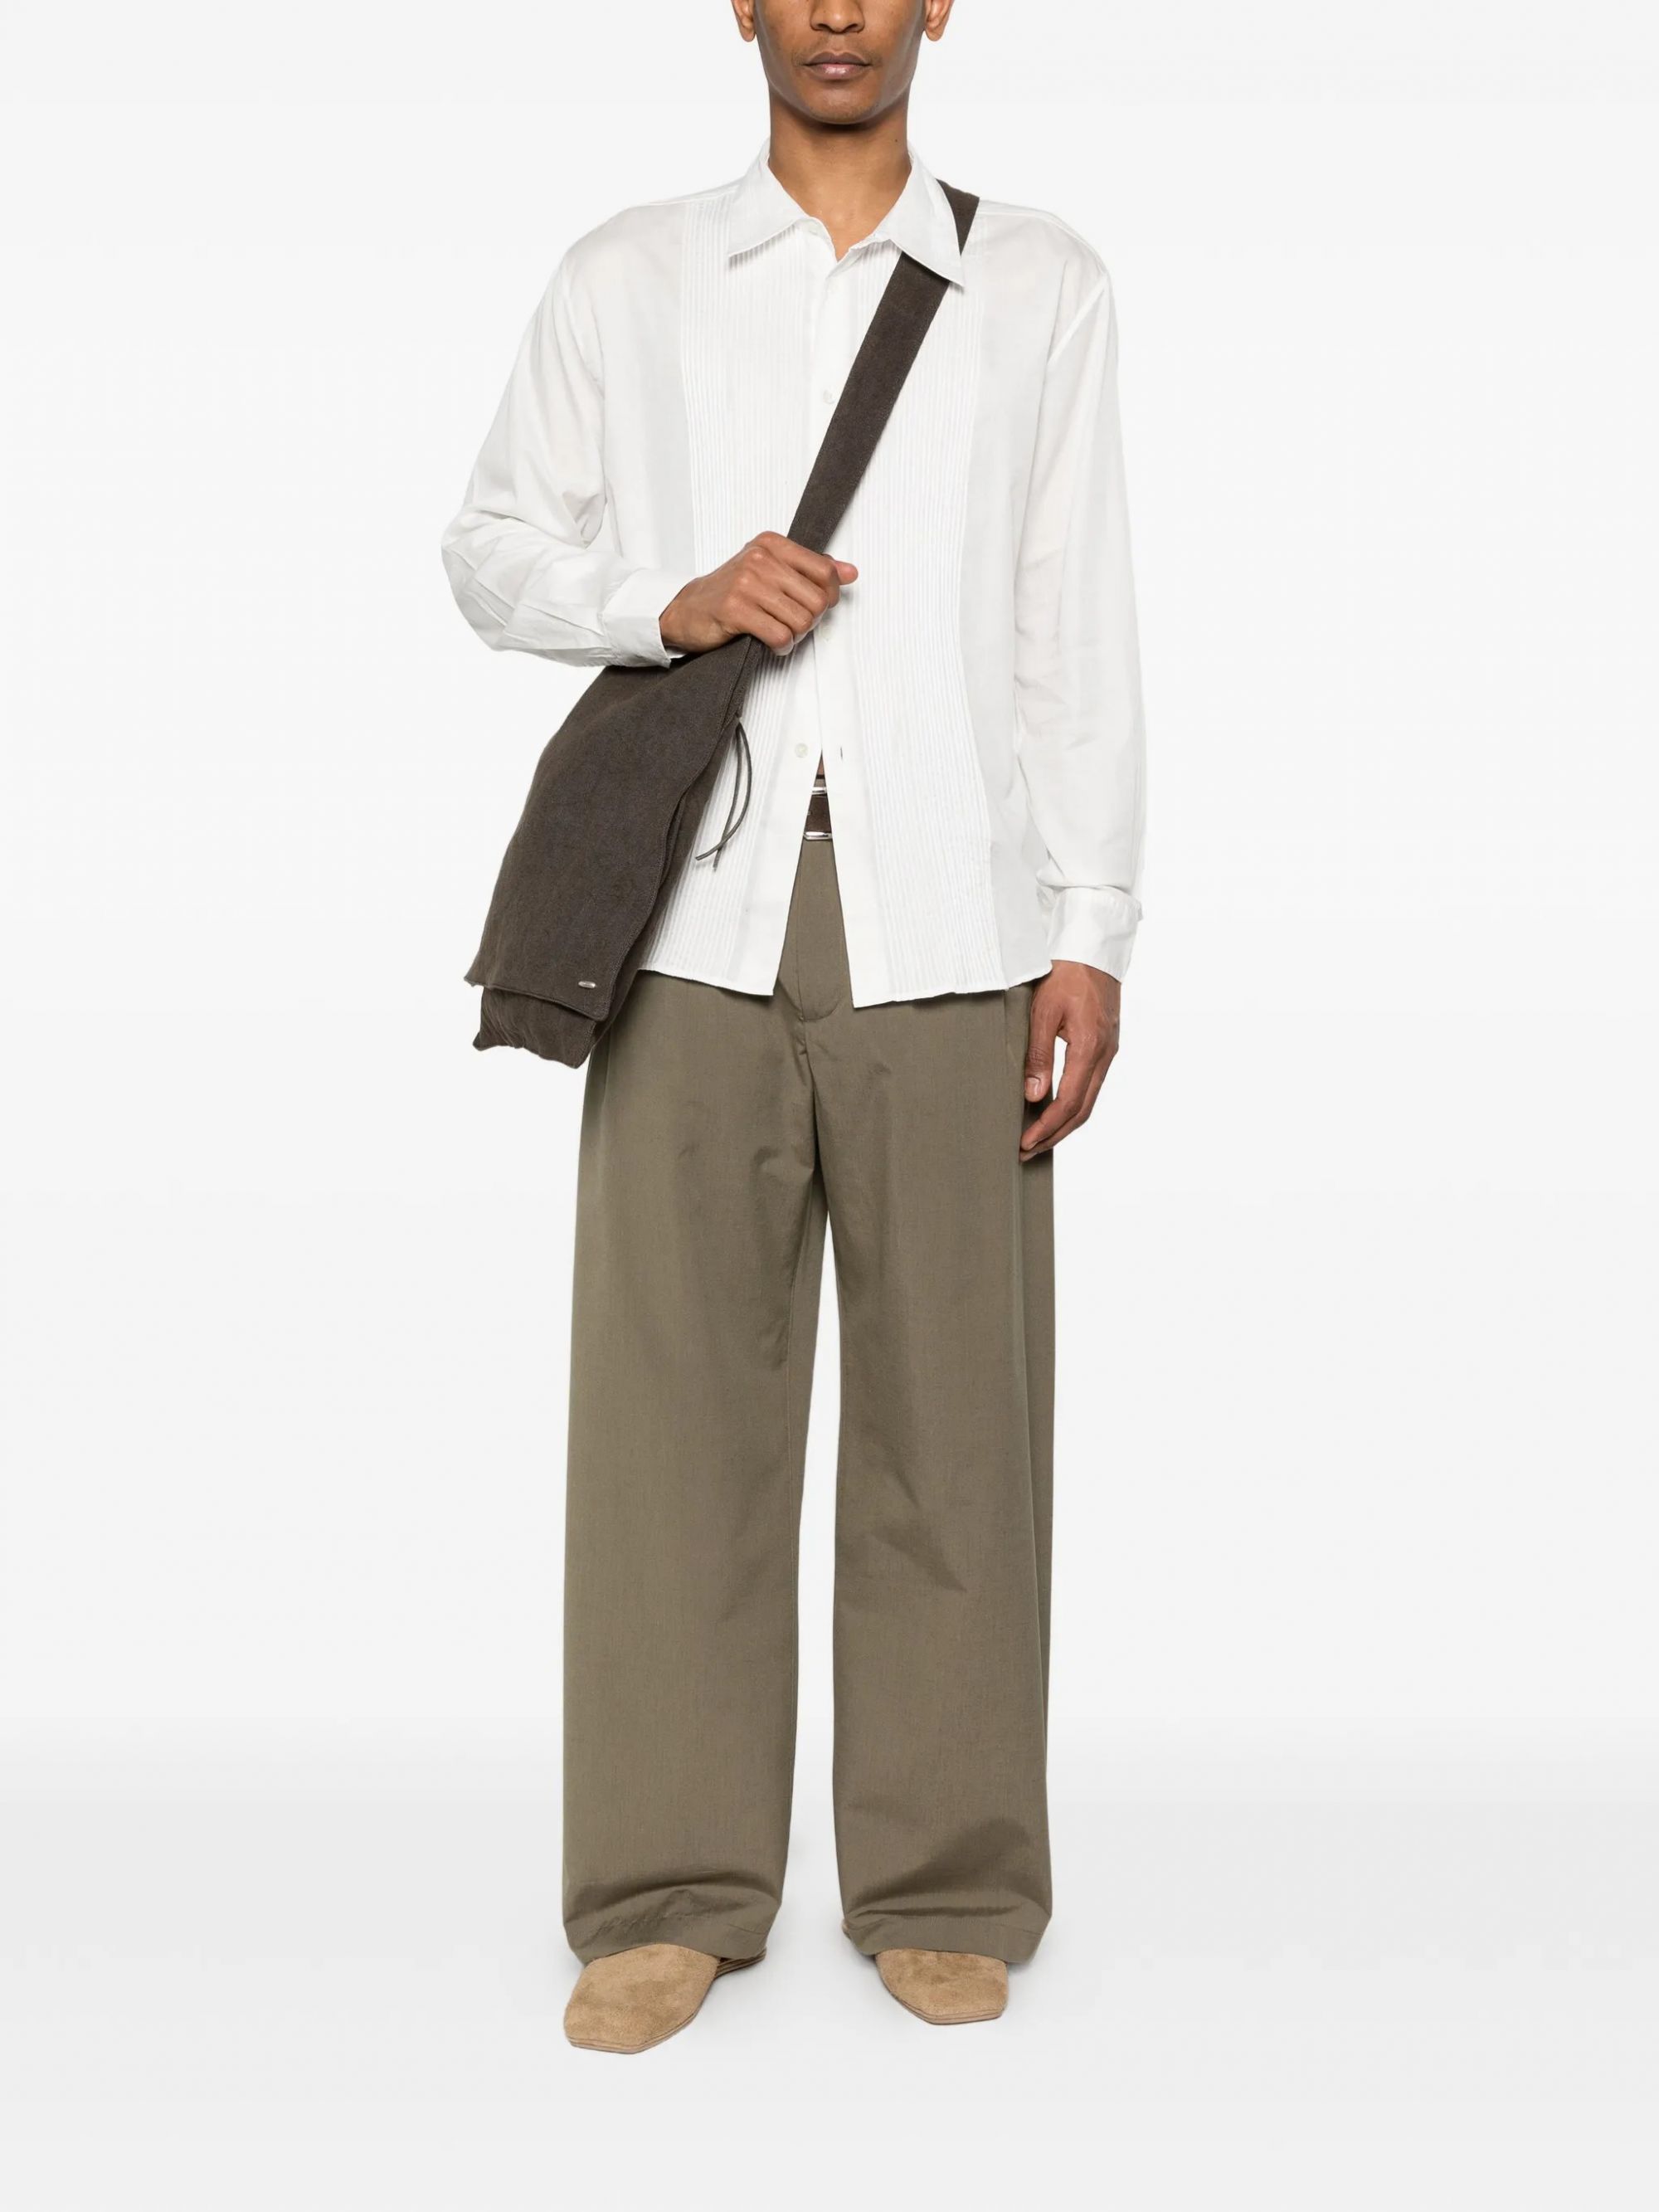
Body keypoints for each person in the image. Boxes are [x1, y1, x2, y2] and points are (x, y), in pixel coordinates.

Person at [440, 0, 1145, 2054]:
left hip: (957, 921)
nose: (837, 8)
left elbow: (1074, 618)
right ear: (738, 3)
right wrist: (664, 601)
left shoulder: (1038, 283)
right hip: (695, 922)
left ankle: (945, 1880)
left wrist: (1091, 926)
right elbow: (488, 546)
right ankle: (665, 1893)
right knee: (671, 1429)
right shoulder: (629, 274)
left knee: (957, 1435)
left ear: (939, 4)